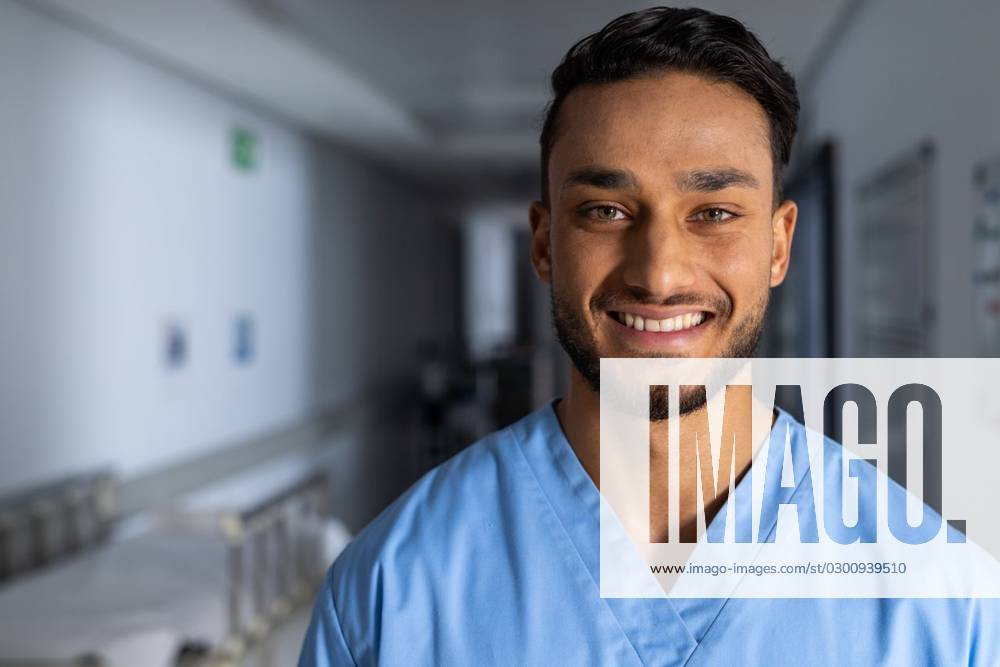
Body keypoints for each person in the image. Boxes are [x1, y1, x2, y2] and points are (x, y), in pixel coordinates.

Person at [299, 7, 998, 665]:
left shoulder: (945, 603)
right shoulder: (390, 595)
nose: (659, 273)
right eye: (606, 209)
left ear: (779, 245)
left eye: (715, 212)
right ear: (544, 243)